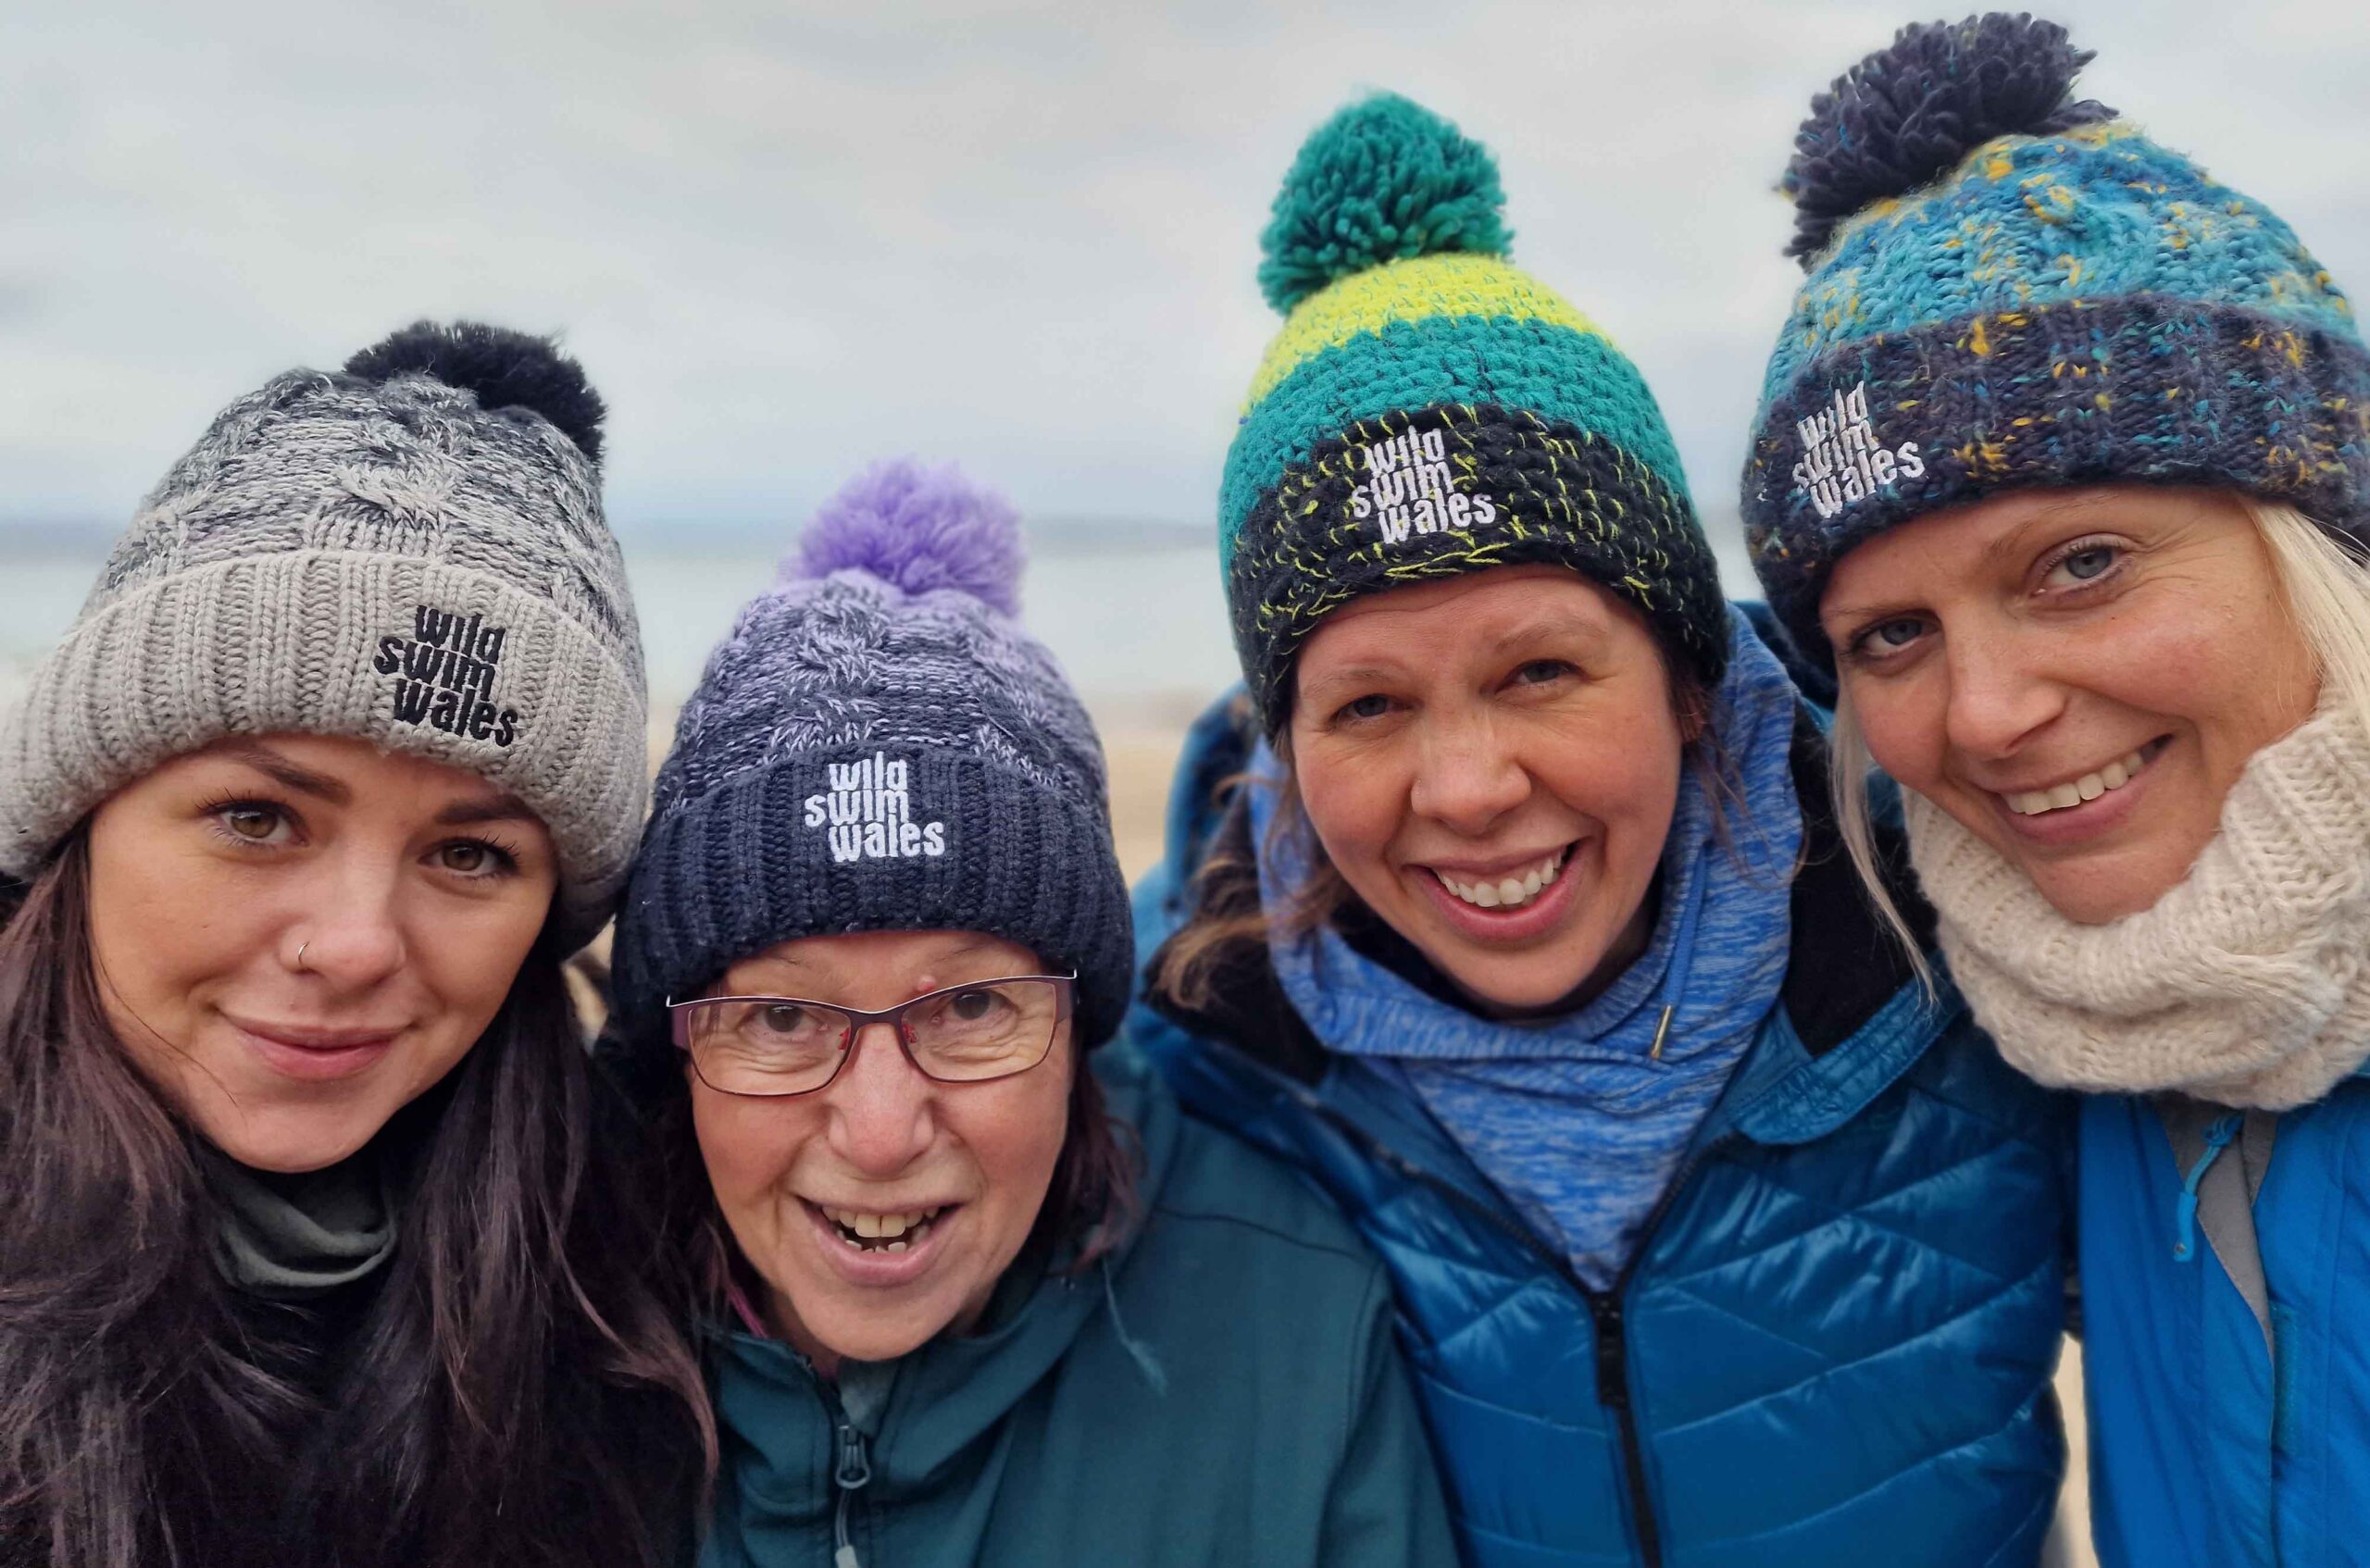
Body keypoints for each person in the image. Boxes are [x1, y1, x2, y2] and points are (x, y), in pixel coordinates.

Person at [1131, 92, 2074, 1568]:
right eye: (1368, 705)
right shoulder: (1192, 1042)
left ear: (1689, 682)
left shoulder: (1959, 924)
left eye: (1540, 671)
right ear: (1287, 738)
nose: (1466, 788)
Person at [1740, 16, 2370, 1566]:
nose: (1992, 713)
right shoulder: (2057, 1027)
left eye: (2081, 563)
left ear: (2318, 542)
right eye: (1890, 635)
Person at [605, 460, 1454, 1568]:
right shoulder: (527, 1332)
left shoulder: (1290, 1332)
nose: (878, 1129)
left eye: (966, 1005)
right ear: (674, 1040)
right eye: (777, 1019)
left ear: (1080, 1030)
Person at [0, 323, 707, 1567]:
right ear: (80, 816)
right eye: (257, 819)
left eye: (470, 854)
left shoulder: (621, 1298)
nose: (354, 945)